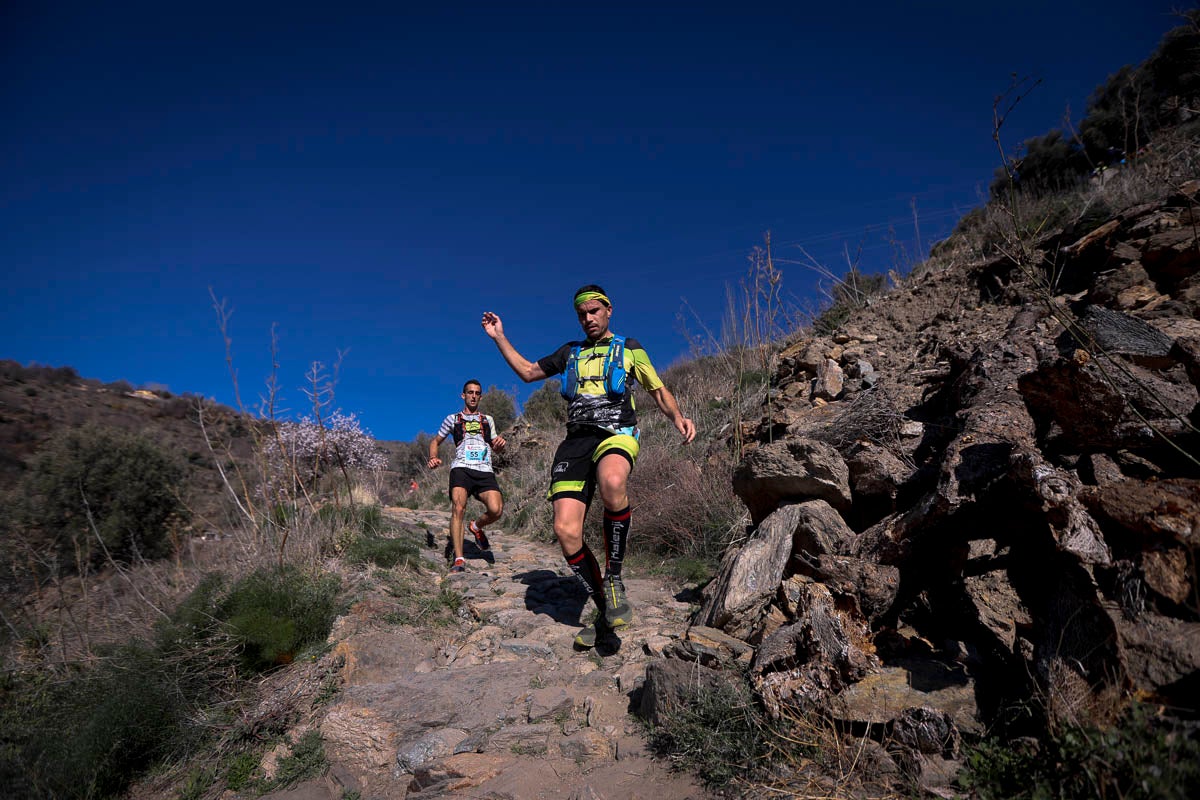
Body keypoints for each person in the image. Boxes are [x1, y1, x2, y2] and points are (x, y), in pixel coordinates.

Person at [481, 285, 695, 647]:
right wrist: (500, 337)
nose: (588, 318)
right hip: (575, 442)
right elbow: (529, 372)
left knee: (613, 482)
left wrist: (677, 417)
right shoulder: (570, 352)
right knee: (565, 530)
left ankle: (614, 577)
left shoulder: (629, 348)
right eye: (582, 314)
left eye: (594, 311)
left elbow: (656, 389)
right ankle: (604, 609)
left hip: (616, 433)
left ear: (608, 310)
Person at [427, 380, 507, 573]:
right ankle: (459, 559)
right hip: (461, 468)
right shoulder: (452, 419)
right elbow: (435, 441)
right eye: (469, 392)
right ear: (463, 395)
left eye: (477, 393)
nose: (473, 396)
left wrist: (498, 446)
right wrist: (433, 457)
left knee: (496, 510)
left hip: (484, 470)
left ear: (480, 396)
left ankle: (476, 526)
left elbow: (495, 445)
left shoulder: (488, 420)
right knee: (458, 508)